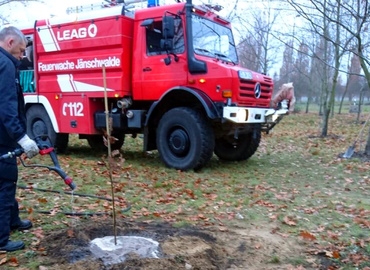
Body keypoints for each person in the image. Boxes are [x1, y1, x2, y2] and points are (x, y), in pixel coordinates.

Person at [0, 26, 39, 252]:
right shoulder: (5, 65)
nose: (23, 56)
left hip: (4, 136)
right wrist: (22, 138)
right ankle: (2, 240)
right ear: (10, 42)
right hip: (3, 137)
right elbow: (7, 108)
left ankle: (13, 221)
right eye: (21, 51)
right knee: (5, 184)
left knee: (7, 179)